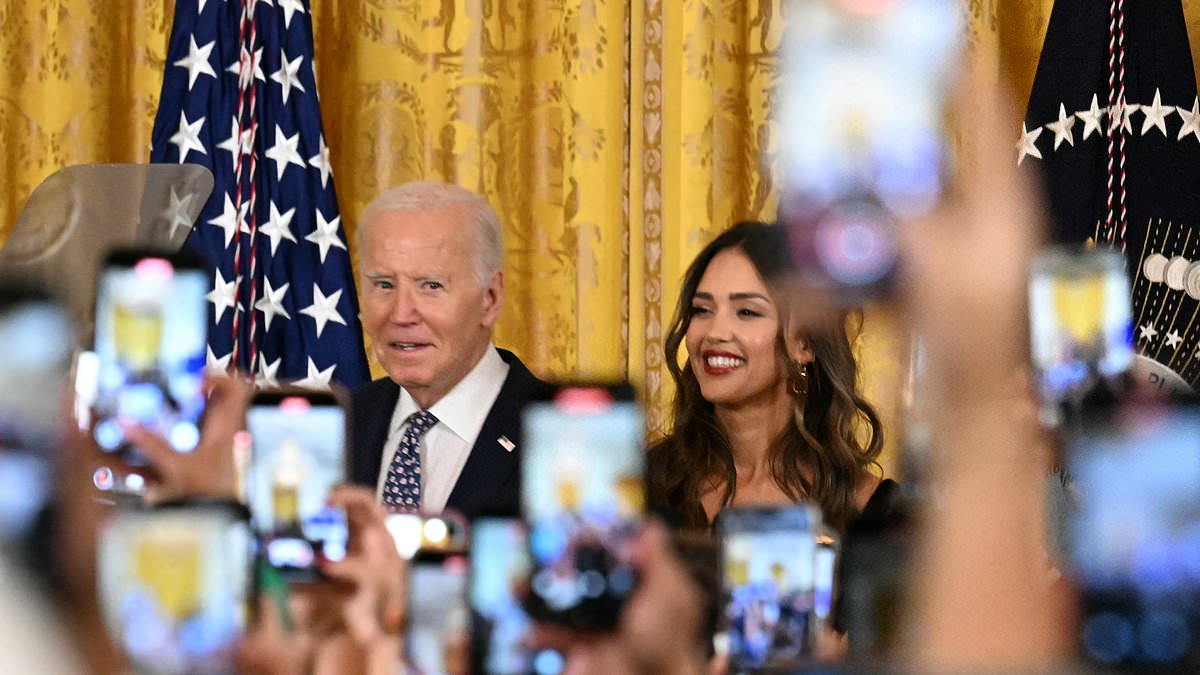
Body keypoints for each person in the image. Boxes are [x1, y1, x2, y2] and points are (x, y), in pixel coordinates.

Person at [646, 221, 891, 532]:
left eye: (747, 312)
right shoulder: (642, 488)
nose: (714, 333)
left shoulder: (874, 512)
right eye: (702, 310)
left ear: (805, 343)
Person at [349, 181, 549, 519]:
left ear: (491, 298)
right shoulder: (340, 425)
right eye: (384, 285)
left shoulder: (555, 437)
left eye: (431, 286)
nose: (401, 314)